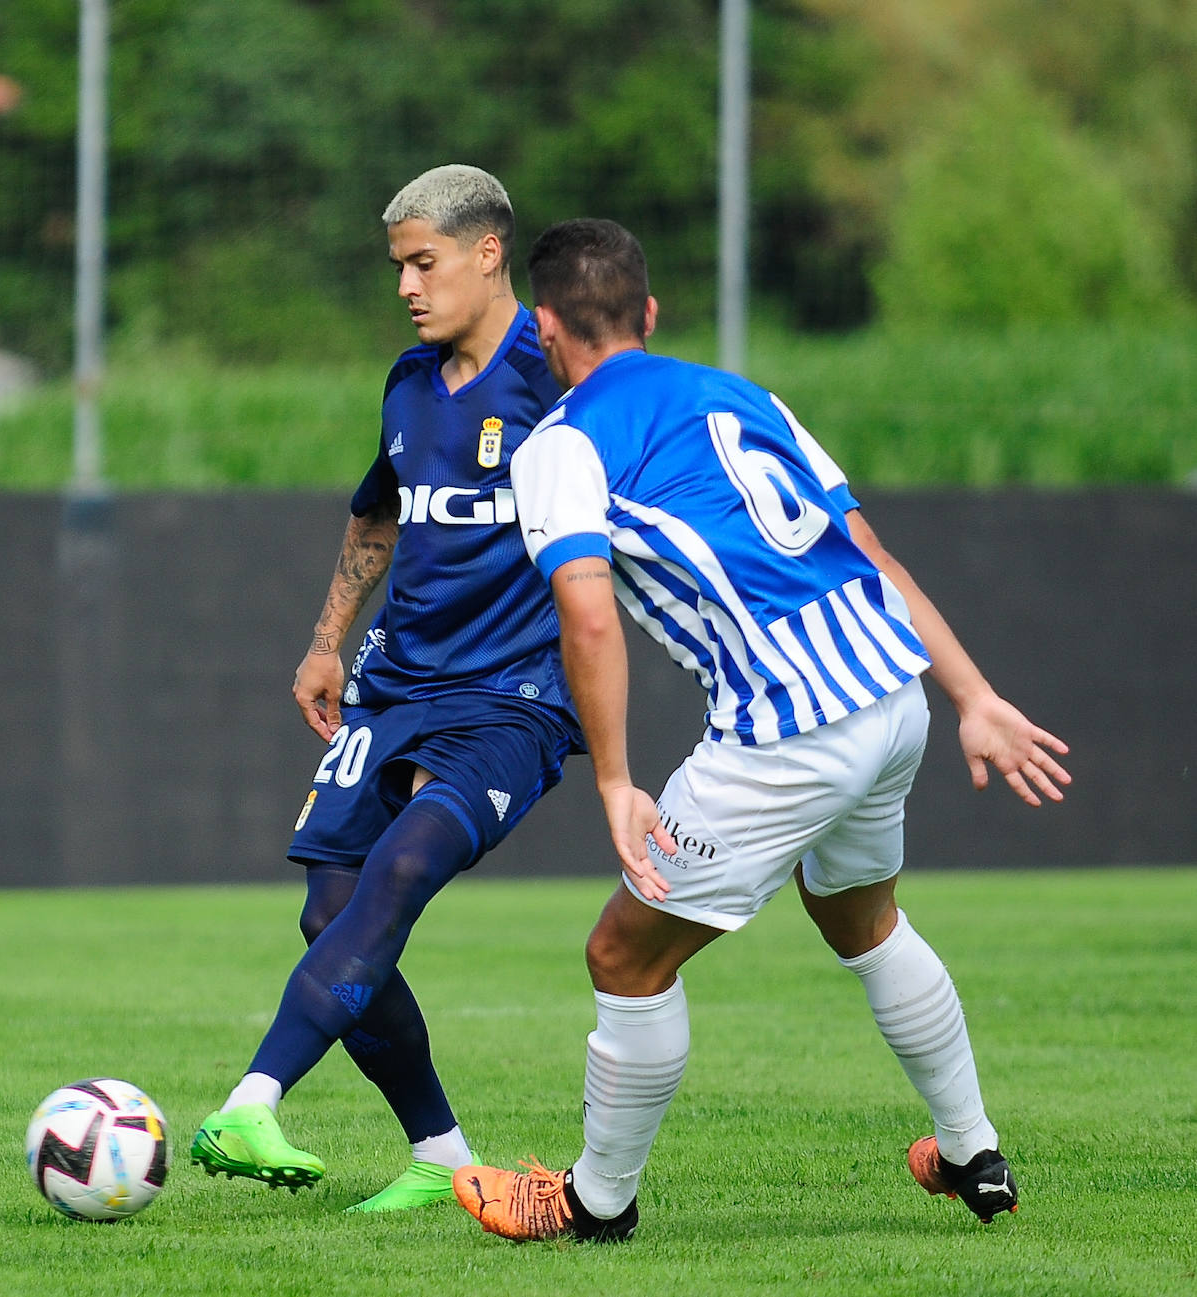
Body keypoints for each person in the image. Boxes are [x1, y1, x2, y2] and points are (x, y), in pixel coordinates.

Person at [452, 218, 1071, 1242]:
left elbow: (588, 608)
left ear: (545, 328)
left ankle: (596, 1201)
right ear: (649, 314)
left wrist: (613, 779)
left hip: (788, 733)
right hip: (892, 696)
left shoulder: (562, 442)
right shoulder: (742, 396)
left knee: (625, 953)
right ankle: (972, 1151)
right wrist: (976, 696)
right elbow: (866, 550)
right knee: (862, 921)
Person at [190, 166, 581, 1213]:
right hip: (392, 684)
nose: (407, 286)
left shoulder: (560, 371)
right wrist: (329, 642)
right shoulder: (409, 379)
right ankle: (445, 1157)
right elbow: (378, 514)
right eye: (398, 267)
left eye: (424, 262)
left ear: (487, 252)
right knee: (330, 912)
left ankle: (253, 1097)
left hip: (511, 697)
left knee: (402, 868)